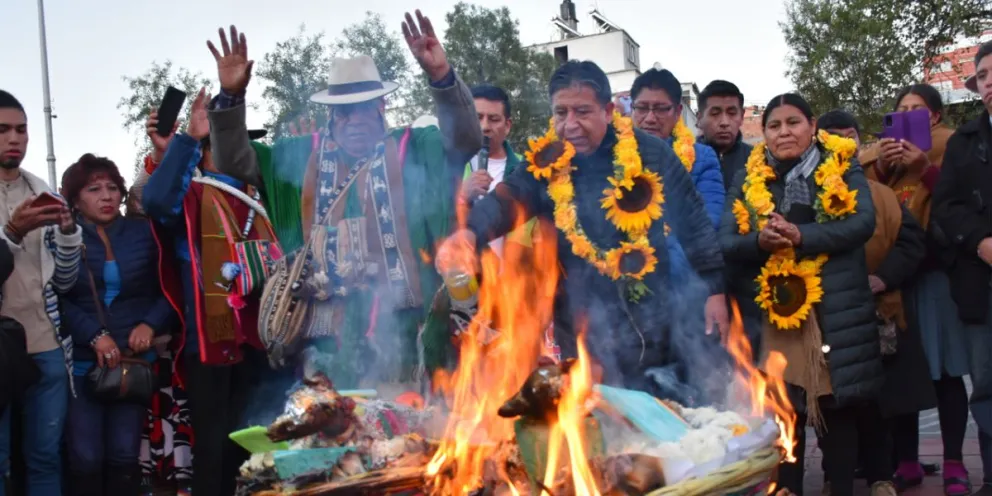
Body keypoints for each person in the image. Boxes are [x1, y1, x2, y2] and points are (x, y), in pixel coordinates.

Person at [205, 14, 482, 386]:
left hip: (408, 331)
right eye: (345, 111)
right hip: (326, 336)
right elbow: (234, 160)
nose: (355, 120)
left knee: (406, 416)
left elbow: (465, 140)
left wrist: (441, 76)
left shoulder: (414, 146)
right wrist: (230, 97)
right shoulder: (302, 156)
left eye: (365, 107)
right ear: (331, 114)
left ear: (382, 107)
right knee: (335, 416)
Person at [438, 60, 727, 395]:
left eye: (582, 112)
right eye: (561, 113)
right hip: (579, 318)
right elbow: (508, 198)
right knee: (592, 413)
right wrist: (470, 232)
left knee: (657, 407)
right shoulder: (547, 162)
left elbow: (693, 221)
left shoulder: (651, 154)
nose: (570, 124)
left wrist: (714, 290)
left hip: (651, 314)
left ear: (607, 111)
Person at [720, 93, 882, 495]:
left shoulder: (841, 163)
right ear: (764, 133)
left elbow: (862, 222)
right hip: (778, 313)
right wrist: (760, 241)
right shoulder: (749, 174)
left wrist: (801, 236)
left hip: (835, 310)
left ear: (812, 126)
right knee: (783, 408)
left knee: (835, 410)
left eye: (793, 122)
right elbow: (726, 240)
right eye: (774, 126)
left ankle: (839, 486)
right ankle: (788, 489)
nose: (784, 132)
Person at [142, 88, 275, 495]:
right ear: (203, 150)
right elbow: (155, 201)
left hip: (263, 337)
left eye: (241, 142)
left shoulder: (261, 195)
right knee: (216, 447)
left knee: (261, 441)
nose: (237, 150)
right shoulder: (191, 194)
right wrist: (183, 142)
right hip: (212, 339)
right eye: (222, 142)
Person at [818, 110, 933, 496]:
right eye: (833, 137)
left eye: (850, 136)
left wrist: (882, 278)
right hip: (824, 317)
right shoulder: (803, 191)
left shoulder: (879, 193)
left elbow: (911, 243)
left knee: (874, 402)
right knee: (830, 403)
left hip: (877, 312)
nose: (843, 144)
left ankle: (881, 476)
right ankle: (835, 475)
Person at [862, 84, 970, 494]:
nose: (908, 114)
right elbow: (874, 207)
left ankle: (955, 461)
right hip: (895, 278)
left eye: (917, 109)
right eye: (902, 108)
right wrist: (884, 167)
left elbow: (962, 201)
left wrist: (924, 168)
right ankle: (907, 460)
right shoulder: (879, 157)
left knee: (946, 371)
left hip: (936, 275)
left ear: (936, 116)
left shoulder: (953, 147)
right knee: (901, 370)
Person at [57, 154, 174, 495]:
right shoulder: (63, 238)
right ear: (75, 199)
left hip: (132, 363)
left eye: (112, 188)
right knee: (85, 457)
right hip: (82, 363)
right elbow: (57, 297)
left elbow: (171, 287)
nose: (106, 196)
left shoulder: (144, 233)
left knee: (124, 455)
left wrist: (150, 324)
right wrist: (94, 335)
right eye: (94, 189)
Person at [0, 89, 83, 496]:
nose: (14, 138)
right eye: (2, 130)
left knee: (46, 458)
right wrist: (13, 232)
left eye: (21, 129)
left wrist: (67, 234)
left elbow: (64, 283)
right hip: (1, 346)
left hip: (46, 343)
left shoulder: (42, 192)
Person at [932, 40, 992, 496]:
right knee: (987, 384)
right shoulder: (964, 142)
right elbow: (946, 206)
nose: (990, 83)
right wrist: (980, 242)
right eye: (984, 76)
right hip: (981, 281)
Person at [697, 80, 753, 187]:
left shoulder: (758, 160)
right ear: (699, 118)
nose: (724, 122)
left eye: (732, 113)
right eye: (715, 114)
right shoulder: (683, 159)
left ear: (742, 117)